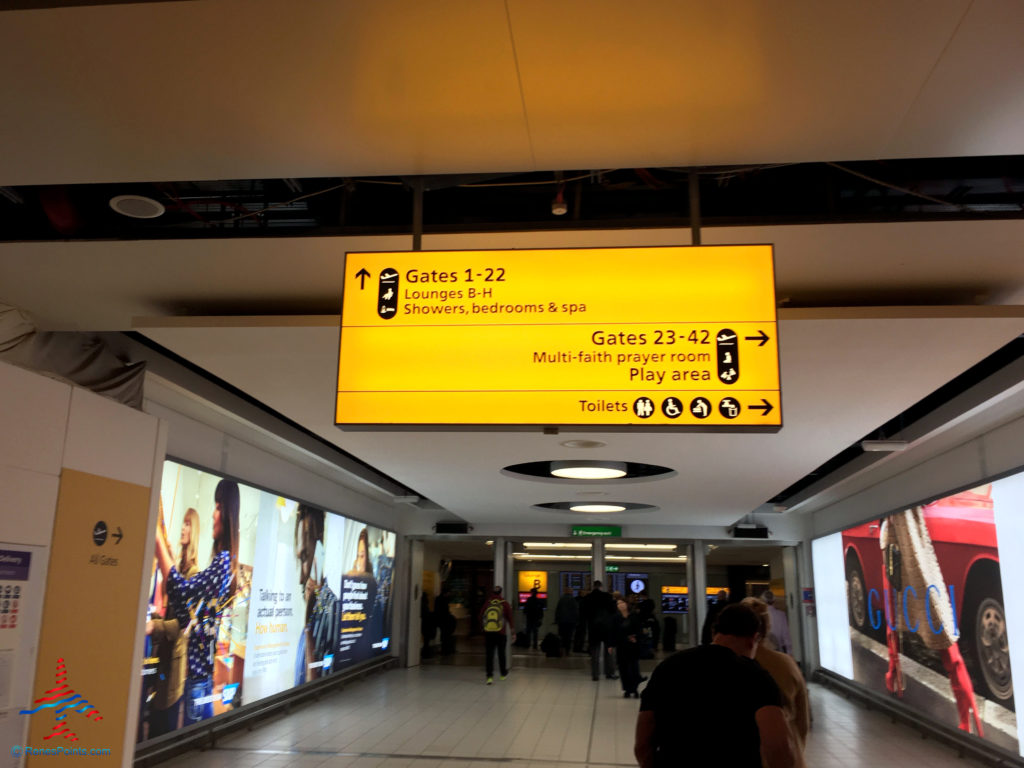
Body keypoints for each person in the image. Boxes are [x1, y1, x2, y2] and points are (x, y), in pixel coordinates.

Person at [635, 603, 794, 768]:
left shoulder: (668, 667)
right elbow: (777, 745)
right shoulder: (757, 677)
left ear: (714, 632)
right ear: (754, 638)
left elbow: (643, 739)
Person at [156, 479, 239, 726]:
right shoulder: (225, 562)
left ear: (226, 514)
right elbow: (189, 612)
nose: (213, 514)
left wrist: (157, 541)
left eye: (217, 507)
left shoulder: (222, 563)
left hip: (198, 680)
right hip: (200, 678)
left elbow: (183, 596)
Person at [145, 507, 199, 737]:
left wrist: (153, 626)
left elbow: (182, 625)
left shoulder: (194, 573)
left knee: (162, 729)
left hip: (173, 663)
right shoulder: (178, 568)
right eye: (183, 523)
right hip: (162, 658)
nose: (183, 528)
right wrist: (153, 617)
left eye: (188, 524)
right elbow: (169, 616)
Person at [742, 598, 810, 767]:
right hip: (786, 751)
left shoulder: (729, 664)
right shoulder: (785, 664)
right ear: (767, 627)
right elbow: (802, 718)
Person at [294, 505, 339, 685]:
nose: (300, 578)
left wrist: (307, 629)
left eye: (305, 556)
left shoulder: (332, 608)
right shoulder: (313, 614)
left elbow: (321, 683)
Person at [581, 580, 618, 680]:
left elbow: (584, 614)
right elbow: (613, 611)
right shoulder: (607, 596)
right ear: (601, 587)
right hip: (607, 628)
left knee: (595, 653)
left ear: (593, 587)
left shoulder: (588, 598)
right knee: (609, 652)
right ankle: (610, 673)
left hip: (593, 628)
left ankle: (595, 675)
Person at [479, 586, 514, 684]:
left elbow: (480, 616)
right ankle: (503, 674)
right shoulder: (504, 603)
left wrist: (483, 629)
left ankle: (489, 676)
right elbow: (510, 618)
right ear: (501, 592)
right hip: (501, 633)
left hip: (489, 633)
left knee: (489, 655)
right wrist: (512, 631)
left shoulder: (487, 603)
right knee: (501, 654)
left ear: (492, 592)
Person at [614, 598, 643, 698]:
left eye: (622, 603)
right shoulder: (617, 618)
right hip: (622, 646)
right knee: (623, 669)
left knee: (633, 668)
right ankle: (627, 689)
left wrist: (635, 637)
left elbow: (639, 629)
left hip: (632, 646)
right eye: (618, 604)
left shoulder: (634, 616)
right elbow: (615, 632)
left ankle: (634, 689)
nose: (621, 605)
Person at [761, 590, 793, 654]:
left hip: (763, 650)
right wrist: (789, 652)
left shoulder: (760, 615)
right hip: (778, 650)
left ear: (762, 601)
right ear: (774, 601)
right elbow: (786, 634)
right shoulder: (781, 614)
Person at [554, 587, 580, 655]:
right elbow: (576, 611)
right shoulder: (573, 600)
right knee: (569, 636)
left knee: (562, 635)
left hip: (562, 621)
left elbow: (557, 610)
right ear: (571, 592)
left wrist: (557, 619)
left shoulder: (561, 599)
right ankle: (567, 651)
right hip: (570, 621)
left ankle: (561, 649)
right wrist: (577, 620)